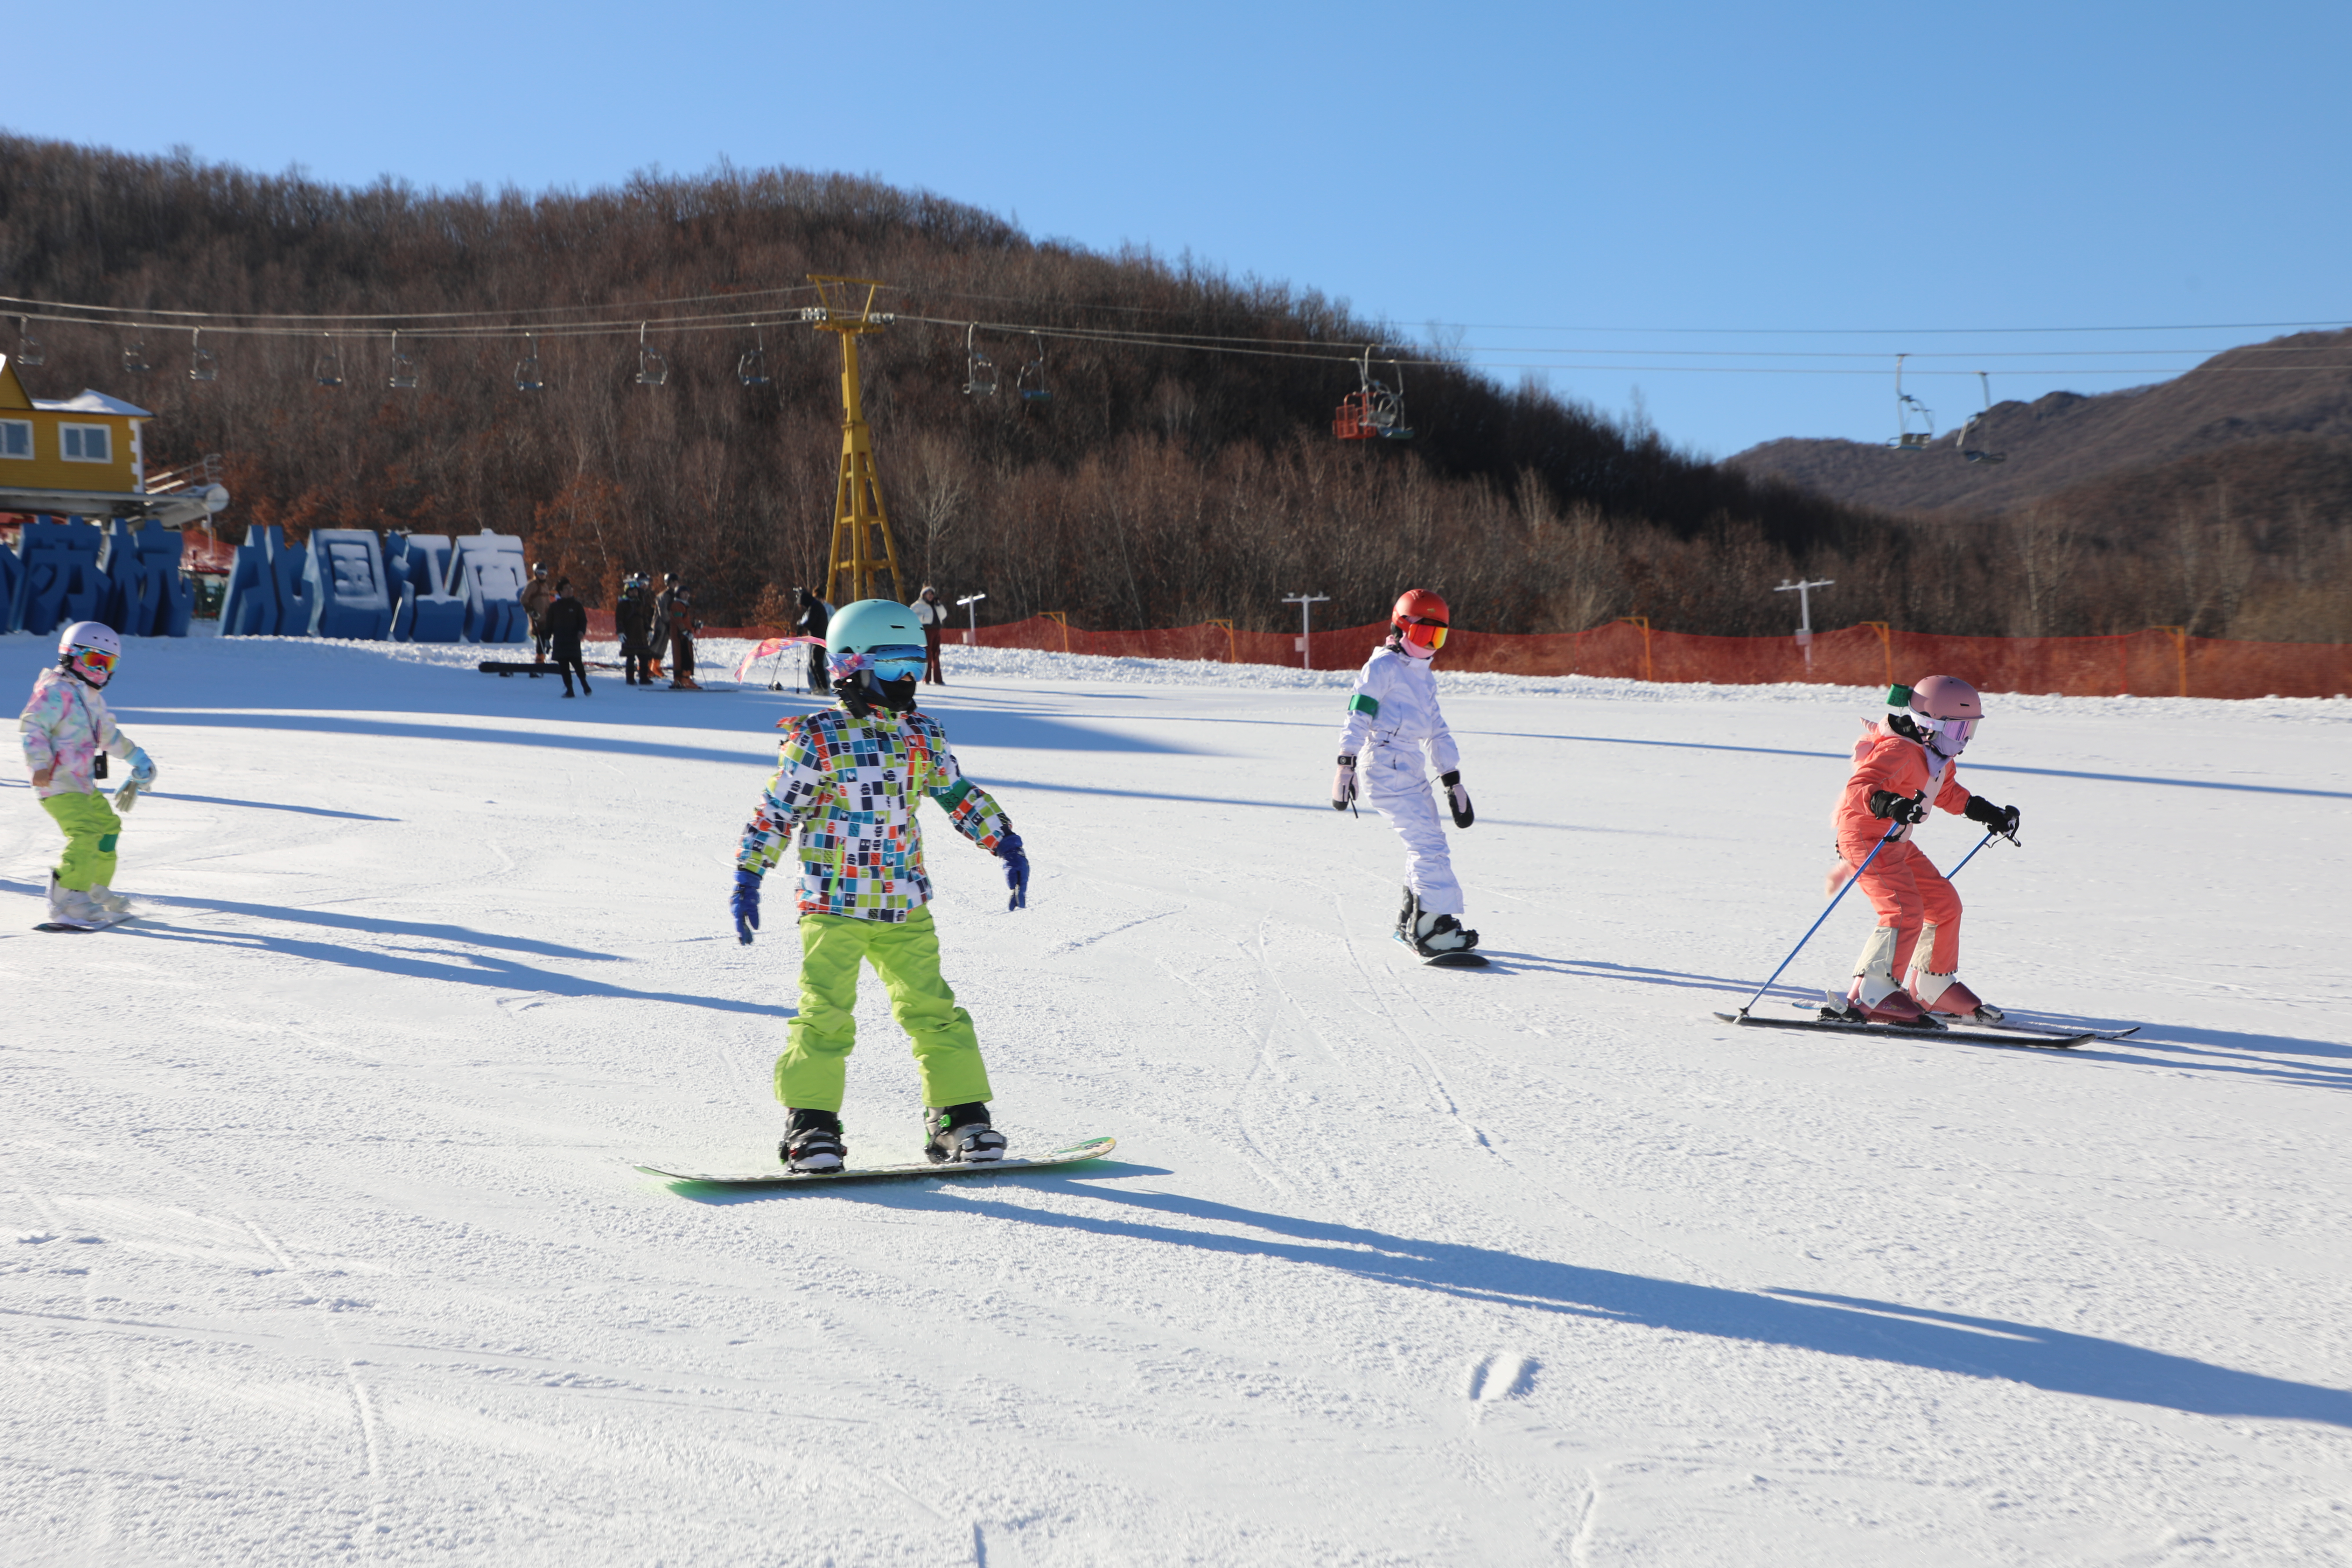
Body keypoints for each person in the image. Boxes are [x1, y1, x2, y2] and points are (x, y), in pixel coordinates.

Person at [729, 598, 1031, 1173]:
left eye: (915, 665)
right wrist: (749, 872)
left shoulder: (921, 734)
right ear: (852, 666)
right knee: (825, 1016)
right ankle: (811, 1125)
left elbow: (956, 795)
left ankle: (957, 1117)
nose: (908, 680)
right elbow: (776, 813)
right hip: (833, 906)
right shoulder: (817, 739)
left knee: (933, 1011)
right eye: (894, 668)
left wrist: (1003, 841)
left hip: (902, 904)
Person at [1822, 675, 2023, 1026]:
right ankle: (1872, 993)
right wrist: (1890, 803)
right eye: (1959, 731)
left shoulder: (1936, 755)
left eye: (1969, 732)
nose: (1964, 741)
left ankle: (1932, 985)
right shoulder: (1899, 751)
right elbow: (1859, 788)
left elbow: (1947, 793)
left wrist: (1990, 814)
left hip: (1895, 840)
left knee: (1944, 904)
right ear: (1930, 725)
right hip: (1864, 838)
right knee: (1903, 909)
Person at [1331, 589, 1480, 958]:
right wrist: (1345, 763)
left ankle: (1412, 920)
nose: (1430, 644)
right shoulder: (1382, 667)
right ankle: (1431, 930)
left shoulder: (1423, 676)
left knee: (1426, 844)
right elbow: (1359, 712)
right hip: (1384, 763)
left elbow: (1438, 730)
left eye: (1438, 637)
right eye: (1423, 634)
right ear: (1401, 628)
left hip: (1408, 764)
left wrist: (1452, 779)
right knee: (1429, 846)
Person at [19, 621, 157, 928]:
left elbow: (108, 735)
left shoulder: (90, 698)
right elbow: (33, 727)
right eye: (95, 661)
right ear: (71, 656)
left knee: (108, 827)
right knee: (85, 833)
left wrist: (137, 758)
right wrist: (39, 765)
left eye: (109, 664)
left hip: (81, 782)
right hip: (56, 782)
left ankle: (93, 888)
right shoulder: (55, 692)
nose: (102, 671)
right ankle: (67, 896)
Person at [546, 579, 591, 697]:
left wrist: (581, 631)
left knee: (578, 665)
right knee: (564, 668)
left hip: (573, 640)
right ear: (560, 592)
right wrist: (547, 639)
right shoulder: (554, 607)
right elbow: (549, 625)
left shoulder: (577, 605)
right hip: (560, 641)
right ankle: (570, 690)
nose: (570, 590)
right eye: (567, 588)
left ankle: (585, 685)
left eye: (571, 588)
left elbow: (583, 621)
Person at [658, 574, 700, 690]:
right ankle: (684, 680)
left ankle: (680, 680)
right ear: (678, 594)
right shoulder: (677, 605)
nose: (687, 595)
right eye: (684, 593)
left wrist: (694, 625)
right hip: (681, 637)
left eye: (688, 593)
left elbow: (685, 620)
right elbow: (678, 620)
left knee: (684, 657)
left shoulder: (683, 605)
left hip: (684, 635)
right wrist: (685, 631)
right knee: (684, 657)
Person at [616, 573, 655, 687]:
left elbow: (644, 618)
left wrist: (648, 630)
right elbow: (619, 620)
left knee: (644, 658)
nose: (634, 593)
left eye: (636, 591)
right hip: (630, 635)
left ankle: (644, 678)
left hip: (641, 636)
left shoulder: (640, 603)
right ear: (627, 592)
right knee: (631, 658)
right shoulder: (623, 605)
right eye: (632, 591)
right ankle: (630, 678)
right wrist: (621, 632)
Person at [794, 587, 832, 695]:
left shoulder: (815, 607)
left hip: (819, 640)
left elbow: (811, 623)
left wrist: (801, 625)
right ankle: (819, 687)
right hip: (817, 639)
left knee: (817, 664)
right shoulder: (816, 606)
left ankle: (824, 688)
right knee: (813, 665)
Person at [911, 584, 949, 684]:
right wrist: (923, 618)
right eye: (928, 594)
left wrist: (939, 606)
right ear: (923, 595)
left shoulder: (936, 605)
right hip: (926, 631)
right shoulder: (918, 605)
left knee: (936, 654)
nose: (931, 596)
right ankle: (926, 679)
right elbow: (911, 616)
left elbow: (944, 615)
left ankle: (938, 679)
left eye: (932, 594)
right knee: (927, 655)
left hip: (936, 631)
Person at [522, 563, 555, 662]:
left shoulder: (545, 586)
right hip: (538, 617)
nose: (542, 575)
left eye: (544, 573)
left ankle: (544, 657)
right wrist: (530, 610)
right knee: (541, 637)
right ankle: (539, 658)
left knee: (546, 636)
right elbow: (524, 599)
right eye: (540, 573)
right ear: (536, 573)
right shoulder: (533, 585)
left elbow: (547, 601)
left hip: (546, 617)